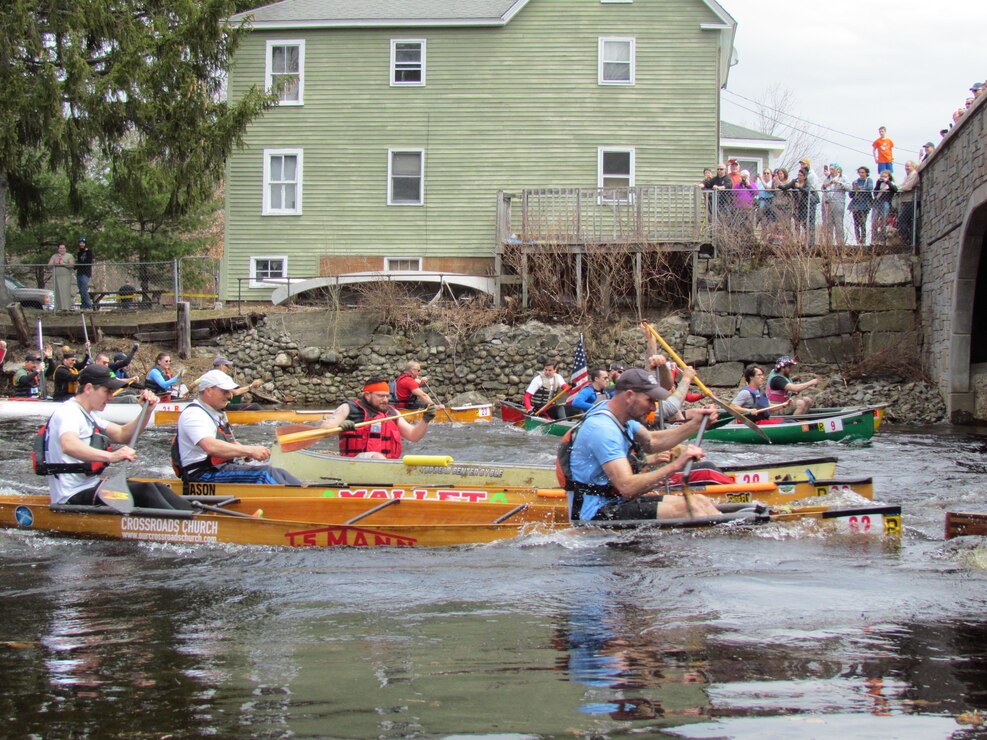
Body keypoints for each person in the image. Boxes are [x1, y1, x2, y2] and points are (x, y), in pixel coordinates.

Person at [566, 368, 721, 521]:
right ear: (629, 396)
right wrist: (676, 465)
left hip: (616, 501)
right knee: (689, 510)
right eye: (650, 401)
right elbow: (627, 488)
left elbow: (652, 441)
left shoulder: (619, 415)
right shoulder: (603, 430)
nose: (654, 407)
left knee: (699, 501)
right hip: (594, 513)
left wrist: (696, 424)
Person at [41, 364, 158, 505]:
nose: (111, 397)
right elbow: (69, 445)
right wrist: (112, 456)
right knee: (146, 492)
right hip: (70, 495)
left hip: (90, 486)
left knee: (157, 488)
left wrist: (146, 411)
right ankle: (186, 524)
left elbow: (123, 435)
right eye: (107, 391)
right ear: (89, 388)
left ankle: (189, 519)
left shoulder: (89, 415)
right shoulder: (68, 412)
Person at [172, 370, 302, 485]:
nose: (229, 396)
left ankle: (308, 493)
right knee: (265, 474)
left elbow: (227, 442)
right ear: (208, 390)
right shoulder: (194, 414)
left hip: (220, 468)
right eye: (224, 391)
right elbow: (210, 446)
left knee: (279, 472)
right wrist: (249, 450)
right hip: (201, 476)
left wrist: (244, 452)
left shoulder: (217, 413)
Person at [320, 377, 437, 459]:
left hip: (384, 465)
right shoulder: (349, 408)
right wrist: (340, 427)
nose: (385, 400)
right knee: (377, 457)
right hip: (354, 462)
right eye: (380, 396)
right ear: (367, 395)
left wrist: (425, 420)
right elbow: (325, 429)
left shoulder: (392, 412)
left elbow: (413, 436)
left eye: (387, 396)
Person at [820, 163, 848, 246]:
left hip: (838, 203)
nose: (831, 171)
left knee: (838, 224)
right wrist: (827, 185)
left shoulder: (843, 178)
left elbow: (849, 188)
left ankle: (840, 244)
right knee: (828, 225)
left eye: (832, 169)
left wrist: (839, 183)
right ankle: (829, 244)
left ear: (837, 169)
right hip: (828, 203)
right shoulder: (828, 178)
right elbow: (822, 188)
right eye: (830, 169)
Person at [849, 166, 874, 245]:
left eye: (863, 172)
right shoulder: (855, 182)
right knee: (856, 224)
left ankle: (863, 241)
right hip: (856, 204)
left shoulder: (868, 180)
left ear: (866, 173)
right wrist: (854, 190)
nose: (861, 174)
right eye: (860, 172)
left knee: (863, 223)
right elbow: (851, 195)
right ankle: (858, 240)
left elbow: (869, 188)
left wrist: (859, 188)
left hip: (865, 204)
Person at [47, 242, 76, 311]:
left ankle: (66, 307)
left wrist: (63, 264)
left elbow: (71, 265)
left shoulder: (69, 256)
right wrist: (55, 263)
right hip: (56, 276)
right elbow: (49, 265)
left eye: (63, 248)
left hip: (65, 276)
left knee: (65, 291)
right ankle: (58, 307)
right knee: (57, 291)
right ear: (58, 249)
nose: (62, 249)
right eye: (60, 248)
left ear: (65, 249)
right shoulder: (54, 256)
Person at [872, 170, 897, 244]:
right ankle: (874, 239)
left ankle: (882, 240)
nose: (883, 178)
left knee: (883, 221)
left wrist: (887, 182)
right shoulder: (879, 183)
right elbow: (875, 192)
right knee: (874, 221)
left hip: (885, 203)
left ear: (889, 177)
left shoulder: (891, 183)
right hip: (877, 203)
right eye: (882, 176)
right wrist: (879, 183)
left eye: (885, 177)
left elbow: (895, 189)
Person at [76, 237, 94, 310]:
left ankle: (89, 305)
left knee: (84, 289)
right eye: (80, 243)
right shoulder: (79, 253)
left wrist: (79, 264)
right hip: (79, 273)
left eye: (83, 243)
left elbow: (88, 262)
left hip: (85, 273)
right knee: (81, 290)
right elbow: (78, 263)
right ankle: (83, 305)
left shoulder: (88, 252)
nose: (82, 244)